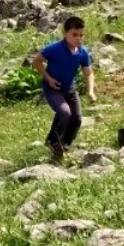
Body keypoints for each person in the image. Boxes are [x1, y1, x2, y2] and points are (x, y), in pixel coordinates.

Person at [33, 16, 97, 160]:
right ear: (65, 32)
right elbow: (37, 62)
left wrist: (91, 91)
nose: (78, 39)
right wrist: (48, 78)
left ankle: (65, 145)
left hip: (70, 88)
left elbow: (89, 73)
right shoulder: (54, 49)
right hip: (52, 88)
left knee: (77, 119)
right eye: (74, 35)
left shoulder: (82, 52)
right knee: (64, 112)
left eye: (81, 35)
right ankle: (52, 140)